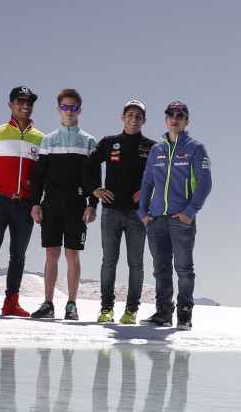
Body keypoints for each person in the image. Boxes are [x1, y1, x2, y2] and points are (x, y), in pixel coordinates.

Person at [139, 101, 212, 329]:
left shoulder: (196, 148)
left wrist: (190, 213)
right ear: (166, 119)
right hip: (156, 219)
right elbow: (147, 182)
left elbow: (205, 183)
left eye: (179, 116)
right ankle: (163, 312)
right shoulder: (156, 150)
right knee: (161, 269)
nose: (174, 119)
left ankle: (184, 313)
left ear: (186, 121)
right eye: (170, 115)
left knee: (184, 268)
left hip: (181, 220)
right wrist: (143, 212)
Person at [0, 86, 46, 316]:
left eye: (29, 102)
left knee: (18, 254)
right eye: (20, 101)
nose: (25, 105)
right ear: (11, 105)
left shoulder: (41, 139)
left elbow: (43, 176)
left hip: (25, 204)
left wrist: (39, 203)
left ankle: (11, 303)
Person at [27, 89, 98, 321]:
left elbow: (94, 177)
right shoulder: (48, 140)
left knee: (72, 254)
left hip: (78, 205)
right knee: (51, 253)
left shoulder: (89, 141)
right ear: (59, 109)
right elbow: (38, 176)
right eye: (65, 107)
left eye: (73, 107)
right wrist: (35, 203)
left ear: (79, 110)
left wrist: (93, 204)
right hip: (51, 205)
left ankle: (71, 305)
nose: (69, 111)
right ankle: (48, 304)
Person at [83, 100, 156, 323]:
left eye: (138, 116)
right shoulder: (109, 142)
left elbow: (161, 176)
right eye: (130, 114)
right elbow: (88, 166)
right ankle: (106, 309)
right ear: (122, 117)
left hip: (138, 214)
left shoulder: (152, 147)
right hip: (111, 212)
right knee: (109, 262)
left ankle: (131, 310)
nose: (134, 119)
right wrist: (94, 190)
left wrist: (147, 192)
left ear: (144, 120)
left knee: (136, 264)